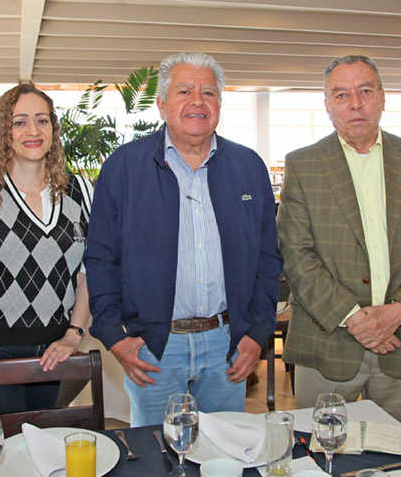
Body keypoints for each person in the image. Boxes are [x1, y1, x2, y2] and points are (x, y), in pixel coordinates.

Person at [84, 52, 282, 426]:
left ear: (219, 106)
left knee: (223, 454)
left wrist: (256, 333)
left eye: (208, 92)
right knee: (156, 456)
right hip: (154, 347)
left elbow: (268, 260)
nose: (197, 101)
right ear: (161, 104)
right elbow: (100, 259)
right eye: (184, 91)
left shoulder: (248, 167)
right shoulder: (123, 168)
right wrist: (114, 336)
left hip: (228, 344)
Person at [276, 55, 401, 430]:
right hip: (327, 344)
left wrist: (398, 310)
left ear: (383, 97)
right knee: (320, 456)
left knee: (391, 456)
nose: (355, 103)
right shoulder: (303, 165)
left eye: (365, 91)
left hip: (400, 341)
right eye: (341, 95)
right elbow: (296, 255)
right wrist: (356, 319)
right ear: (327, 107)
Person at [0, 84, 92, 413]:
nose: (33, 131)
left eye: (42, 120)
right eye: (19, 122)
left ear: (54, 128)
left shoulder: (80, 192)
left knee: (40, 448)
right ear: (3, 132)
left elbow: (88, 272)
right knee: (2, 452)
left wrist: (74, 333)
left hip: (52, 350)